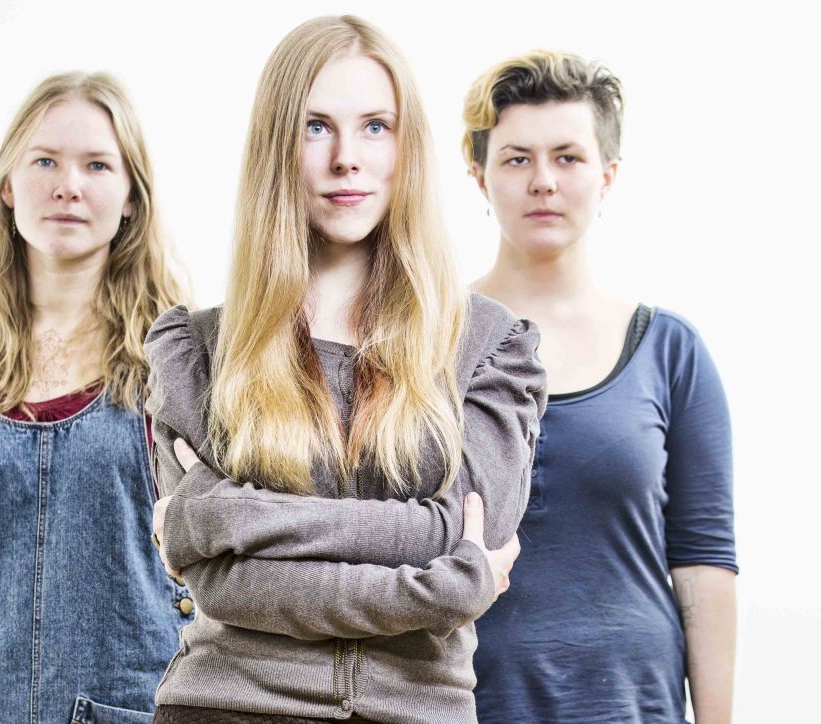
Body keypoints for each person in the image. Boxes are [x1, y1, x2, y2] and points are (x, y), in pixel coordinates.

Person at [143, 16, 546, 724]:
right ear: (277, 146)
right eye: (316, 127)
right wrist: (439, 569)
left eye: (375, 127)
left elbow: (476, 546)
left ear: (406, 147)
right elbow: (223, 588)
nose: (347, 159)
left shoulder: (490, 347)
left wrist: (227, 514)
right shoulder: (197, 350)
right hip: (224, 707)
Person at [0, 72, 191, 724]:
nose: (68, 185)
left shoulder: (177, 368)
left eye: (97, 165)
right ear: (7, 188)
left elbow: (223, 575)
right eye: (45, 160)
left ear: (131, 199)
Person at [461, 51, 738, 723]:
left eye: (568, 157)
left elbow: (704, 564)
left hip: (632, 706)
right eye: (517, 159)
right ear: (479, 174)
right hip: (464, 703)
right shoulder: (423, 343)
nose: (543, 181)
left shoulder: (670, 350)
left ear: (607, 175)